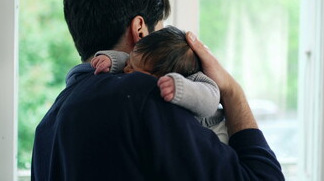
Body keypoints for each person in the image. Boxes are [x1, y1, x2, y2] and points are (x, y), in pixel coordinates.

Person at [31, 0, 285, 181]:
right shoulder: (145, 94)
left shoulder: (48, 126)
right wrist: (232, 91)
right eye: (160, 30)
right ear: (140, 29)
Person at [91, 25, 228, 143]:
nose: (126, 69)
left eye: (132, 68)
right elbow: (129, 58)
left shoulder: (195, 80)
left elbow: (211, 101)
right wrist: (112, 60)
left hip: (216, 131)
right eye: (128, 64)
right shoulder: (142, 65)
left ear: (162, 76)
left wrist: (180, 88)